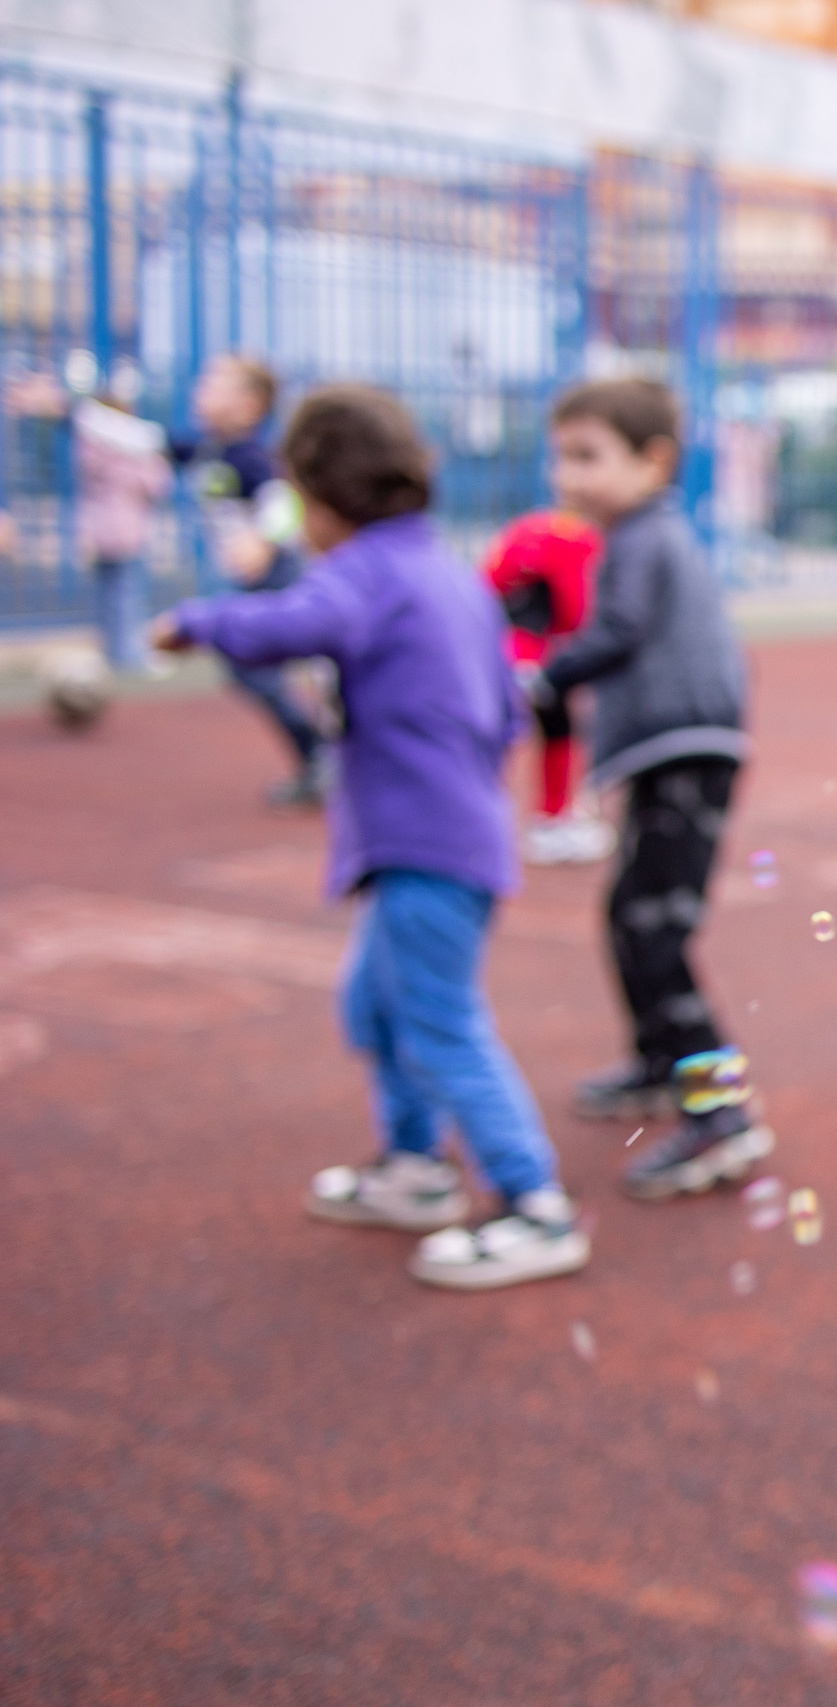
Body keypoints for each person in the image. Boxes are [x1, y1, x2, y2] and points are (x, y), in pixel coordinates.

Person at [152, 385, 588, 1291]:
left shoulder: (368, 569)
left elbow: (290, 623)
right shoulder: (443, 569)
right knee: (378, 1007)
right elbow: (507, 703)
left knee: (438, 1018)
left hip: (426, 843)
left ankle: (534, 1201)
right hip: (440, 833)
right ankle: (416, 1166)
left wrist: (195, 621)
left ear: (322, 499)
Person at [529, 378, 773, 1200]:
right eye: (560, 456)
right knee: (630, 916)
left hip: (685, 751)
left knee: (655, 928)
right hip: (674, 751)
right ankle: (661, 1064)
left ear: (653, 461)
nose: (565, 475)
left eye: (586, 456)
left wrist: (543, 676)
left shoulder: (641, 535)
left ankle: (722, 1113)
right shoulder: (644, 533)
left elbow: (619, 629)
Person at [173, 354, 333, 809]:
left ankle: (327, 752)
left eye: (215, 383)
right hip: (257, 579)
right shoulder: (207, 449)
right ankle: (320, 752)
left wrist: (262, 540)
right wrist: (71, 410)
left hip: (282, 572)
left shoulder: (249, 456)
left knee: (284, 658)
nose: (200, 389)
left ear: (250, 405)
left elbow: (283, 500)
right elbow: (139, 440)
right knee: (248, 664)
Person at [483, 508, 614, 864]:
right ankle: (553, 819)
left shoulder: (525, 527)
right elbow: (575, 608)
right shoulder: (580, 539)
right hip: (539, 656)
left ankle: (474, 820)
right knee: (559, 731)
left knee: (495, 738)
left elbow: (488, 579)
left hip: (497, 651)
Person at [70, 368, 172, 673]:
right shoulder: (137, 448)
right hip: (127, 528)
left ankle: (113, 649)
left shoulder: (90, 445)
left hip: (96, 528)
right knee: (126, 592)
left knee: (106, 592)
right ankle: (129, 652)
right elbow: (155, 485)